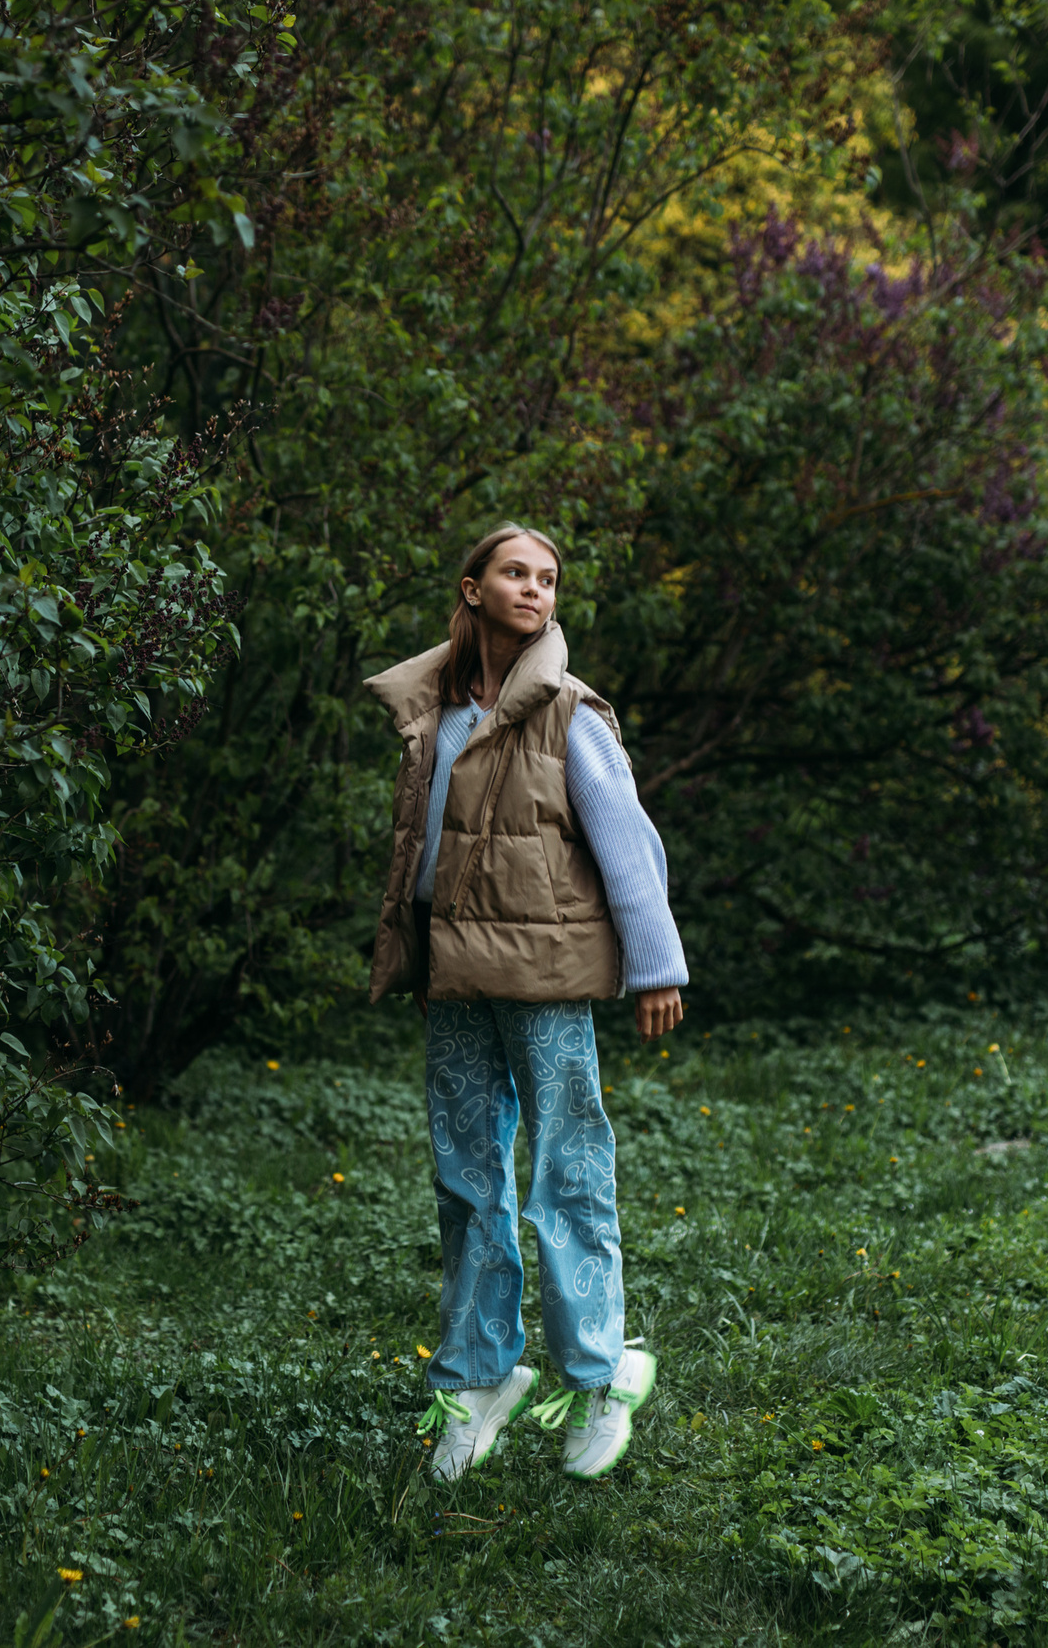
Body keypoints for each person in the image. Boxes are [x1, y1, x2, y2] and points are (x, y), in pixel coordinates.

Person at [364, 523, 689, 1484]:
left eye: (548, 578)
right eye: (516, 572)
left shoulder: (569, 716)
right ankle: (480, 1375)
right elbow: (421, 851)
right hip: (455, 972)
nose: (535, 589)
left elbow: (628, 840)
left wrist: (656, 963)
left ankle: (598, 1372)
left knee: (568, 1167)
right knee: (468, 1177)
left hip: (543, 978)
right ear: (471, 589)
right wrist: (414, 950)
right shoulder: (435, 713)